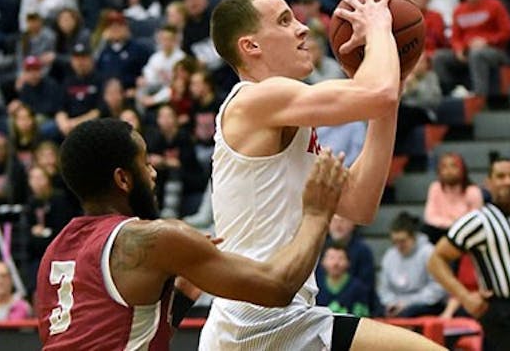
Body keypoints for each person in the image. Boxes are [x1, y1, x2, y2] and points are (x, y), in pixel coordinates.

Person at [200, 0, 443, 350]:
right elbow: (376, 94)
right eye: (284, 21)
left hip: (280, 317)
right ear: (251, 46)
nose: (302, 28)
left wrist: (393, 83)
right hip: (256, 320)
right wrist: (380, 26)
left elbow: (360, 203)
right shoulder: (255, 98)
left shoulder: (288, 118)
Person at [35, 118, 351, 349]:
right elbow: (278, 288)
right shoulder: (151, 239)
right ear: (123, 179)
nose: (153, 173)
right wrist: (317, 214)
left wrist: (183, 295)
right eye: (145, 163)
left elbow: (119, 335)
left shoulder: (56, 253)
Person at [428, 158, 510, 350]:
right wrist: (465, 297)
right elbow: (435, 260)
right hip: (499, 308)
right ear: (488, 183)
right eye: (501, 176)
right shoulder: (477, 221)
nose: (508, 181)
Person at [378, 213, 447, 317]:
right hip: (396, 303)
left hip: (426, 304)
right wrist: (391, 303)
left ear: (414, 237)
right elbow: (384, 288)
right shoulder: (390, 255)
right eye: (395, 241)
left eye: (402, 241)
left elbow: (437, 288)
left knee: (407, 313)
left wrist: (407, 303)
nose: (399, 246)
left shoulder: (429, 253)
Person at [423, 152, 483, 243]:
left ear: (463, 170)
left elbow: (475, 221)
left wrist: (454, 226)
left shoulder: (473, 191)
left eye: (453, 166)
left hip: (464, 234)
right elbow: (429, 217)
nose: (449, 171)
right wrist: (452, 223)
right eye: (444, 167)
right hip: (439, 231)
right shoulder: (435, 187)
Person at [317, 243, 371, 317]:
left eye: (340, 258)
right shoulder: (316, 285)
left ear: (348, 262)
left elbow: (362, 314)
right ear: (322, 262)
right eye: (331, 258)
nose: (335, 263)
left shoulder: (357, 287)